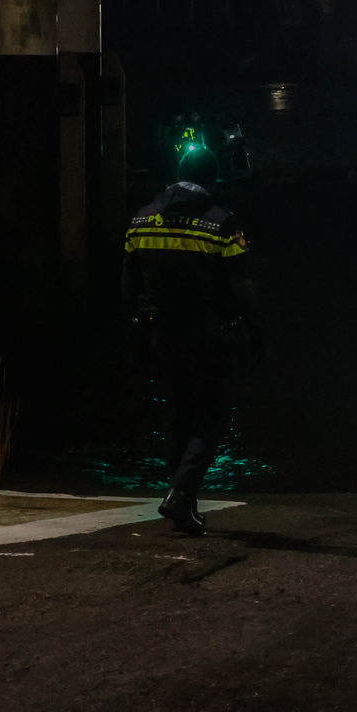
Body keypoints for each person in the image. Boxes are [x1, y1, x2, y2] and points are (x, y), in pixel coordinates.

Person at [122, 147, 254, 535]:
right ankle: (181, 495)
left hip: (161, 333)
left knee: (179, 414)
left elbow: (128, 283)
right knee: (212, 417)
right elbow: (241, 285)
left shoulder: (141, 219)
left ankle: (182, 502)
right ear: (213, 180)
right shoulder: (221, 222)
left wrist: (136, 326)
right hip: (208, 334)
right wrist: (251, 330)